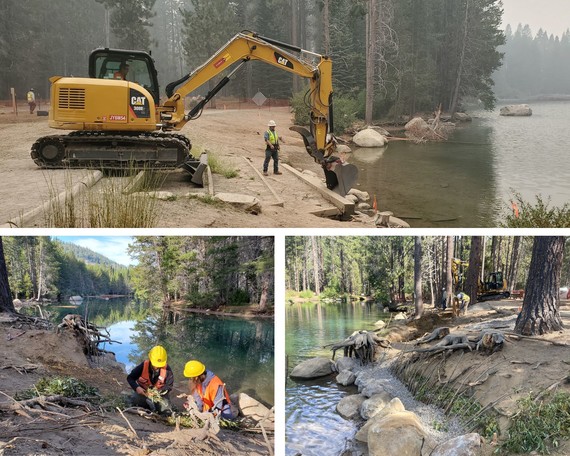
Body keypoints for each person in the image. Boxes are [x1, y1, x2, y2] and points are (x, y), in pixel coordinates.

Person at [127, 345, 174, 414]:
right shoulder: (143, 365)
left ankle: (158, 410)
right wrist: (137, 388)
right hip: (143, 393)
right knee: (135, 401)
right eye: (155, 364)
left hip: (159, 396)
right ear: (150, 359)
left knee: (166, 411)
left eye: (159, 364)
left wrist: (157, 392)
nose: (157, 366)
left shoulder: (167, 370)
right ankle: (147, 407)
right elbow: (130, 378)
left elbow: (169, 386)